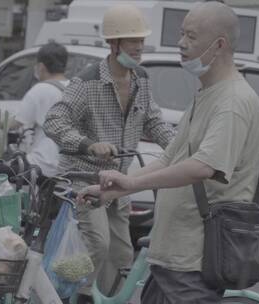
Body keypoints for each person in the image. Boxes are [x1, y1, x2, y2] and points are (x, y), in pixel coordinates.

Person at [78, 2, 259, 303]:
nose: (181, 43)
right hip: (172, 259)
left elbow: (203, 166)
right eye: (181, 34)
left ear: (219, 45)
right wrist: (112, 191)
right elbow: (170, 158)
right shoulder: (207, 94)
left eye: (191, 36)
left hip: (194, 261)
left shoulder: (233, 101)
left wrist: (133, 184)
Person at [43, 4, 175, 302]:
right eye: (132, 40)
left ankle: (104, 299)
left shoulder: (141, 78)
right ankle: (65, 295)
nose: (139, 46)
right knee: (98, 243)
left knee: (122, 255)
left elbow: (154, 120)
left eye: (141, 40)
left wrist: (184, 151)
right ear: (113, 44)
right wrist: (89, 144)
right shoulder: (87, 82)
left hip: (120, 182)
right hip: (84, 179)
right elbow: (54, 120)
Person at [0, 42, 69, 178]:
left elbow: (15, 122)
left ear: (41, 67)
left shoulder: (40, 90)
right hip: (67, 165)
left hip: (43, 163)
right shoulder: (73, 88)